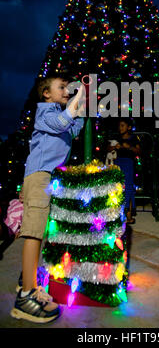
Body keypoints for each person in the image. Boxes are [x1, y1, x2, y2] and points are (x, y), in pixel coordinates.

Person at [10, 74, 85, 323]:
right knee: (34, 232)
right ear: (46, 94)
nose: (66, 91)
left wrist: (83, 101)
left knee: (40, 231)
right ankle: (26, 297)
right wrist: (77, 99)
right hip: (40, 176)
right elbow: (63, 122)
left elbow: (74, 128)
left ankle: (28, 279)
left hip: (48, 177)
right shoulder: (45, 111)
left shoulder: (61, 112)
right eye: (61, 87)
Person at [107, 118, 141, 224]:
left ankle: (129, 215)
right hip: (118, 163)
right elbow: (108, 149)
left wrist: (129, 147)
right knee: (117, 187)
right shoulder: (117, 138)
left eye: (123, 126)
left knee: (128, 189)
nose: (120, 128)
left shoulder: (133, 138)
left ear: (129, 127)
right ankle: (117, 215)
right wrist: (113, 147)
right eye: (119, 126)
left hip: (128, 164)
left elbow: (138, 151)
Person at [0, 189, 24, 260]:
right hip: (5, 219)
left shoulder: (24, 208)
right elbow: (9, 204)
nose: (21, 195)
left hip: (10, 227)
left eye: (24, 193)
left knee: (10, 238)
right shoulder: (15, 201)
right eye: (20, 193)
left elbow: (21, 222)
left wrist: (18, 230)